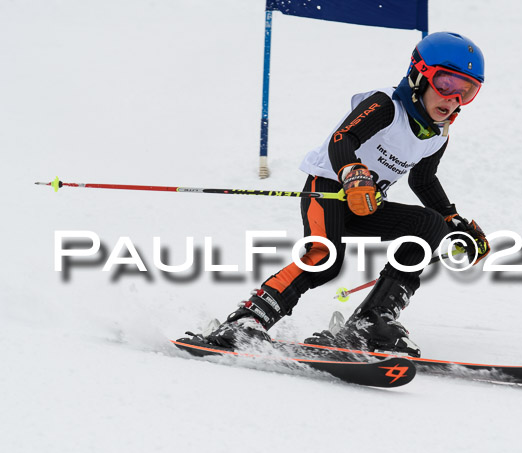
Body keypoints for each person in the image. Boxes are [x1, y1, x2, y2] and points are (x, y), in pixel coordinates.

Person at [181, 32, 491, 358]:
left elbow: (424, 182)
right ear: (419, 75)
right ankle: (246, 321)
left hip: (367, 203)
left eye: (467, 91)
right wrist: (353, 173)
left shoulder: (437, 134)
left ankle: (370, 324)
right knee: (324, 258)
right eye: (446, 83)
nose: (454, 98)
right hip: (329, 188)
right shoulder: (386, 105)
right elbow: (342, 140)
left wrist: (454, 222)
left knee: (430, 226)